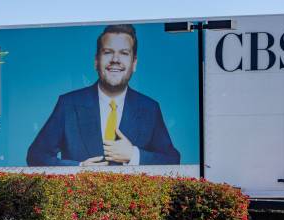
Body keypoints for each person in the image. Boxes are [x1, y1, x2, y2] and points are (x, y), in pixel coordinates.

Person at [26, 24, 180, 166]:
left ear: (134, 64)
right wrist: (78, 169)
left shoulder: (150, 108)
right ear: (96, 61)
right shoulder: (68, 104)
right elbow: (36, 155)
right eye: (108, 52)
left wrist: (133, 155)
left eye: (124, 53)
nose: (115, 59)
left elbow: (172, 160)